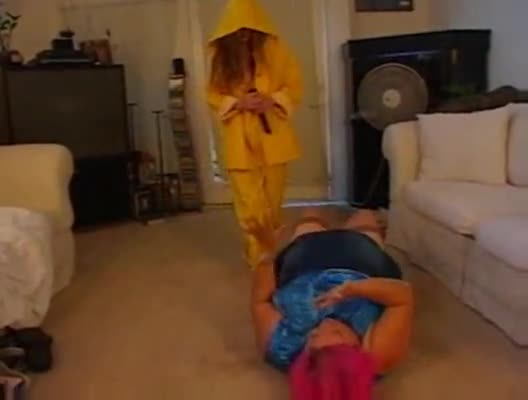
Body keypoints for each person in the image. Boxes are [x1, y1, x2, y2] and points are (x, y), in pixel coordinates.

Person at [249, 209, 414, 398]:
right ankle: (371, 223)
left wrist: (267, 251)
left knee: (310, 214)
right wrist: (353, 289)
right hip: (362, 262)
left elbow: (260, 301)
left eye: (314, 334)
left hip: (304, 261)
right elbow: (403, 295)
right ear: (356, 351)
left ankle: (317, 221)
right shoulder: (378, 355)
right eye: (338, 332)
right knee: (365, 215)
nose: (325, 324)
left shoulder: (280, 346)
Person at [207, 0, 303, 269]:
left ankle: (269, 253)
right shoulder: (221, 57)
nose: (244, 34)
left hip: (273, 137)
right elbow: (212, 94)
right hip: (239, 139)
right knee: (250, 206)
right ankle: (257, 259)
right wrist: (238, 103)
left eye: (249, 28)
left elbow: (294, 86)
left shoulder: (278, 50)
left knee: (272, 203)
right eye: (238, 29)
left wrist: (271, 100)